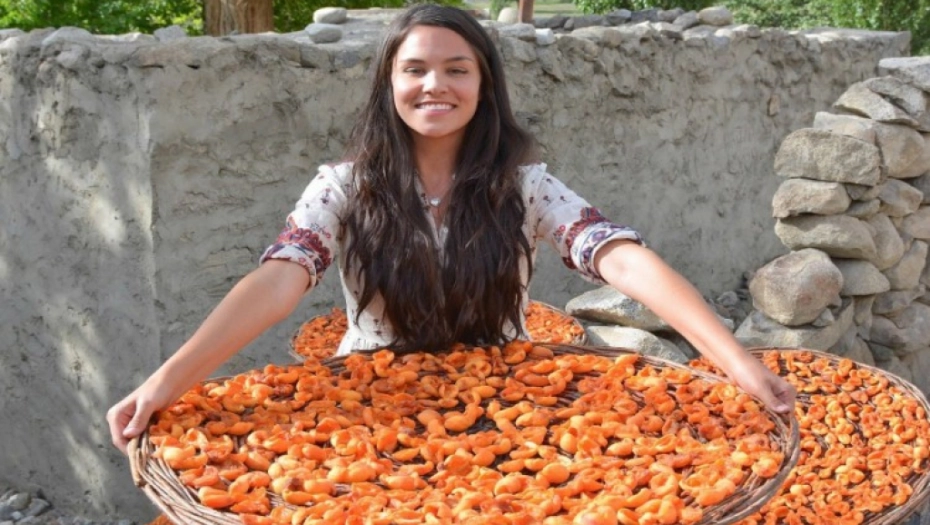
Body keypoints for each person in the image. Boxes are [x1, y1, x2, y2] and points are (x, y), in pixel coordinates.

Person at [108, 4, 795, 453]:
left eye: (456, 69)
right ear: (389, 86)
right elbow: (278, 281)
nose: (434, 85)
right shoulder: (344, 186)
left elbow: (618, 258)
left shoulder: (523, 185)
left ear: (483, 86)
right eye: (414, 70)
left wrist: (734, 361)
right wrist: (166, 383)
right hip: (367, 408)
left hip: (509, 411)